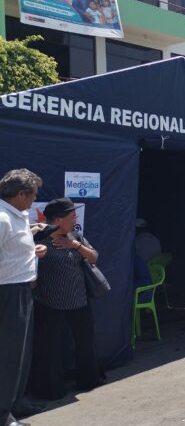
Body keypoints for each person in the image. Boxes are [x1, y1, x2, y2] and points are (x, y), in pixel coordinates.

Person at [28, 198, 103, 400]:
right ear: (58, 220)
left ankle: (88, 380)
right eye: (71, 216)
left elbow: (94, 258)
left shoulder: (75, 236)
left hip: (80, 300)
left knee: (85, 343)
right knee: (50, 348)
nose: (75, 219)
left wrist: (75, 245)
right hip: (50, 302)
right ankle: (51, 391)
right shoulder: (39, 241)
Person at [1, 169, 47, 426]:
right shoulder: (2, 218)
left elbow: (11, 251)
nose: (34, 200)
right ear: (20, 194)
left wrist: (33, 251)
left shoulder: (17, 216)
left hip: (22, 290)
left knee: (21, 353)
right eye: (33, 195)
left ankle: (15, 404)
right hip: (8, 292)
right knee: (8, 355)